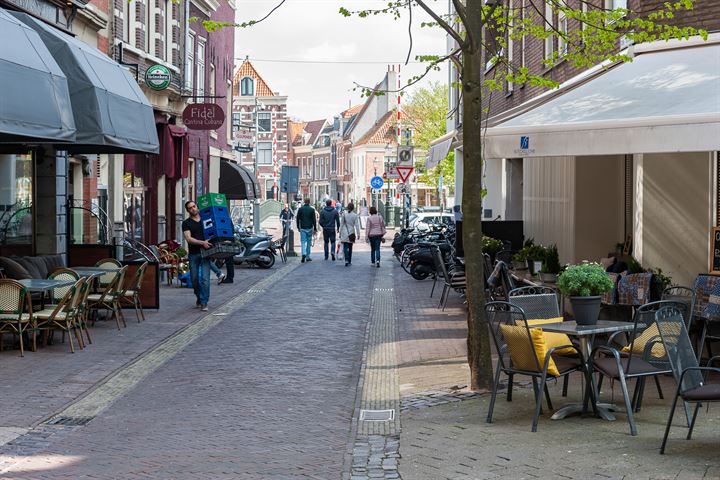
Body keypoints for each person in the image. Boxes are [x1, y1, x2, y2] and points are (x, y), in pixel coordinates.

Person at [182, 200, 212, 311]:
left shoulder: (206, 219)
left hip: (206, 253)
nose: (193, 209)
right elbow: (188, 239)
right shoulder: (186, 223)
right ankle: (199, 297)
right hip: (194, 253)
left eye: (194, 206)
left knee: (205, 279)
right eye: (190, 208)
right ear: (187, 210)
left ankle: (204, 302)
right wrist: (202, 243)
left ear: (197, 206)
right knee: (194, 279)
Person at [296, 198, 317, 263]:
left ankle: (303, 254)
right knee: (308, 242)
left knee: (303, 242)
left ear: (304, 202)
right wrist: (315, 228)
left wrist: (298, 227)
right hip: (310, 227)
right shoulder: (312, 210)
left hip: (302, 228)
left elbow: (297, 219)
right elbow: (314, 220)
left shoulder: (300, 209)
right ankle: (308, 256)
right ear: (309, 202)